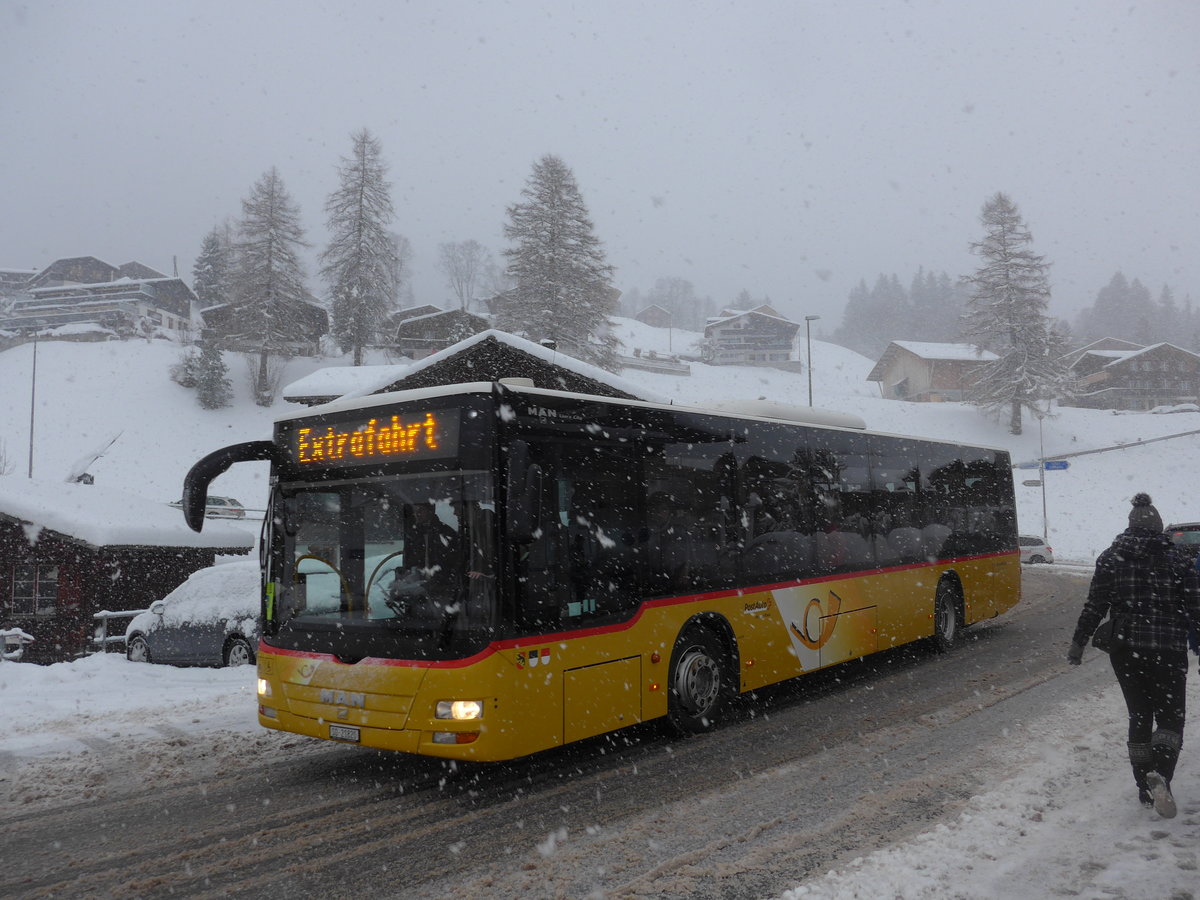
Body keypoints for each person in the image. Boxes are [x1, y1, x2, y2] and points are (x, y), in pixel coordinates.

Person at [1068, 493, 1200, 818]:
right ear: (1158, 527)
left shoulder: (1112, 556)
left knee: (1139, 715)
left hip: (1126, 651)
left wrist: (1079, 641)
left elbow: (1095, 604)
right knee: (1170, 718)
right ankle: (1162, 776)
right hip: (1167, 649)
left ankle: (1143, 784)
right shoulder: (1177, 558)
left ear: (1130, 524)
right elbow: (1197, 606)